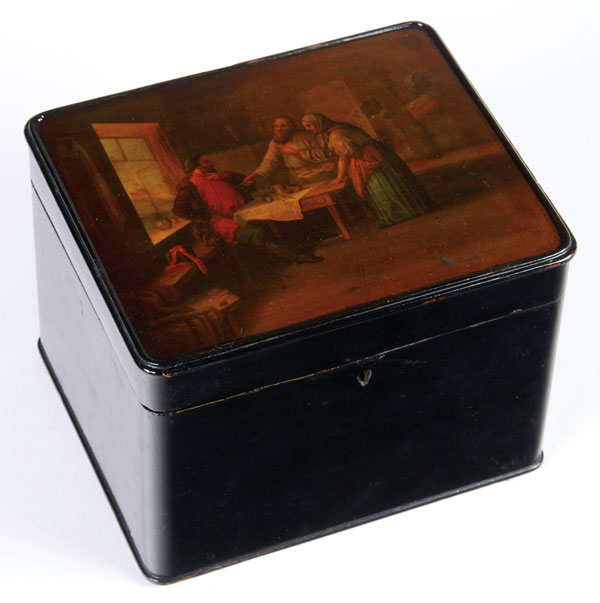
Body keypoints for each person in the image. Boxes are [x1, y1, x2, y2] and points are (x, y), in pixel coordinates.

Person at [173, 154, 323, 263]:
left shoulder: (215, 175)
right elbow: (179, 210)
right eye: (206, 161)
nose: (211, 162)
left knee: (278, 216)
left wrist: (224, 175)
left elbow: (246, 180)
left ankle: (296, 250)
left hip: (241, 214)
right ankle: (299, 257)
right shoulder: (190, 185)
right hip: (221, 223)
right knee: (257, 233)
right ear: (198, 166)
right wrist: (207, 217)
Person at [301, 113, 430, 227]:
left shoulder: (336, 134)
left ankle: (400, 214)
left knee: (380, 185)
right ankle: (411, 208)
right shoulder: (338, 128)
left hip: (369, 158)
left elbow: (344, 156)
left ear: (318, 122)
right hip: (376, 154)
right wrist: (334, 164)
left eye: (309, 126)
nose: (308, 129)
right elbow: (344, 150)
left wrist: (339, 178)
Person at [242, 115, 335, 188]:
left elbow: (328, 153)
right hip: (298, 178)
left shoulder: (307, 136)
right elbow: (270, 161)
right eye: (276, 126)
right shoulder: (275, 143)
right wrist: (256, 174)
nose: (279, 129)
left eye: (283, 126)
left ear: (291, 127)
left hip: (320, 173)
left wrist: (296, 153)